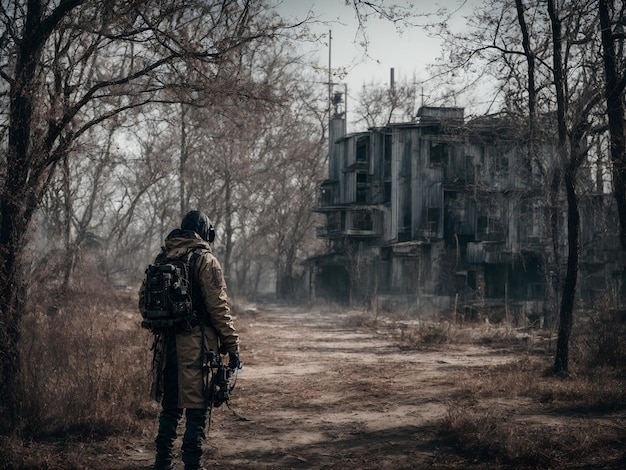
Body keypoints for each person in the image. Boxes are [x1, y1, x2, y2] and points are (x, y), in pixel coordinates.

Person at [139, 210, 240, 470]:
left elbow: (143, 303)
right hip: (197, 348)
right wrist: (233, 346)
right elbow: (218, 308)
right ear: (205, 231)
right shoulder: (205, 259)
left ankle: (162, 464)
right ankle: (193, 465)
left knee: (171, 408)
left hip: (166, 347)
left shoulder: (163, 257)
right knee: (198, 408)